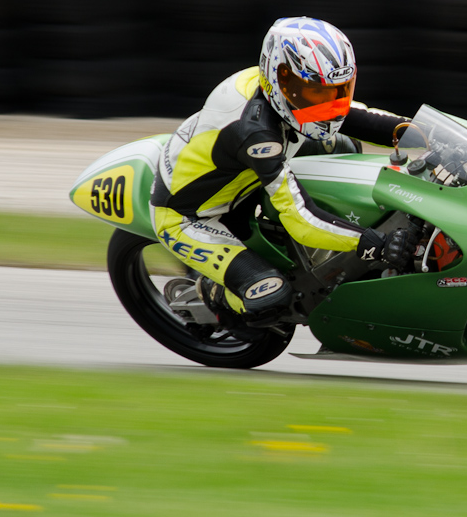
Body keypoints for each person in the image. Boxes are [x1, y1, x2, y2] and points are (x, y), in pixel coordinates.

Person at [151, 17, 415, 327]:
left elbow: (357, 116)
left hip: (239, 175)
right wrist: (374, 242)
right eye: (315, 93)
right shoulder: (256, 135)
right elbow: (301, 219)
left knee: (342, 144)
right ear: (280, 78)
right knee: (272, 298)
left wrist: (423, 133)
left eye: (337, 91)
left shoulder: (284, 92)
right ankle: (210, 293)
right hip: (192, 215)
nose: (327, 105)